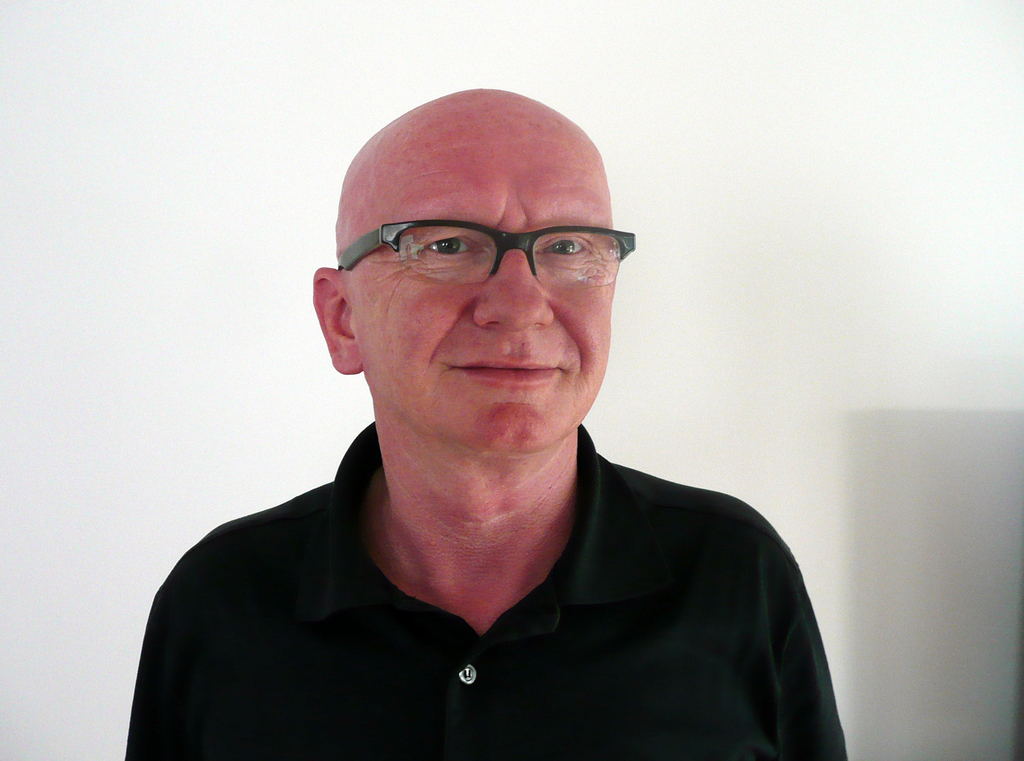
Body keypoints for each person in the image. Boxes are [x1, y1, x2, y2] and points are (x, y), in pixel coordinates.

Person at [126, 89, 846, 760]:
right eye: (446, 246)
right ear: (342, 319)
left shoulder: (735, 578)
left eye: (568, 247)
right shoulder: (220, 603)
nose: (521, 305)